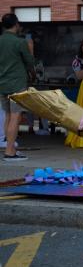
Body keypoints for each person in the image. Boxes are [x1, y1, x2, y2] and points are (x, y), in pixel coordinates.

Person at [0, 13, 34, 161]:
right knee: (15, 116)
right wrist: (31, 47)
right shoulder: (19, 42)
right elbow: (30, 62)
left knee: (8, 116)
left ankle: (11, 148)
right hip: (17, 84)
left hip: (2, 83)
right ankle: (9, 152)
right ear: (16, 24)